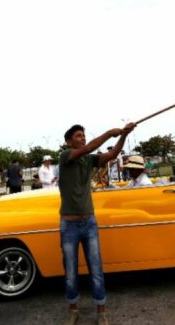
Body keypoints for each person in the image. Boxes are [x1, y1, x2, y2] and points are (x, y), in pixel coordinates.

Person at [59, 122, 135, 325]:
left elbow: (111, 155)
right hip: (69, 224)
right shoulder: (65, 156)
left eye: (83, 135)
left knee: (96, 269)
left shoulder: (89, 159)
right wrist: (109, 132)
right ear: (68, 141)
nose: (82, 138)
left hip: (89, 223)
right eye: (77, 136)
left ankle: (101, 312)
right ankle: (73, 309)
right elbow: (88, 148)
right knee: (70, 272)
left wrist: (123, 136)